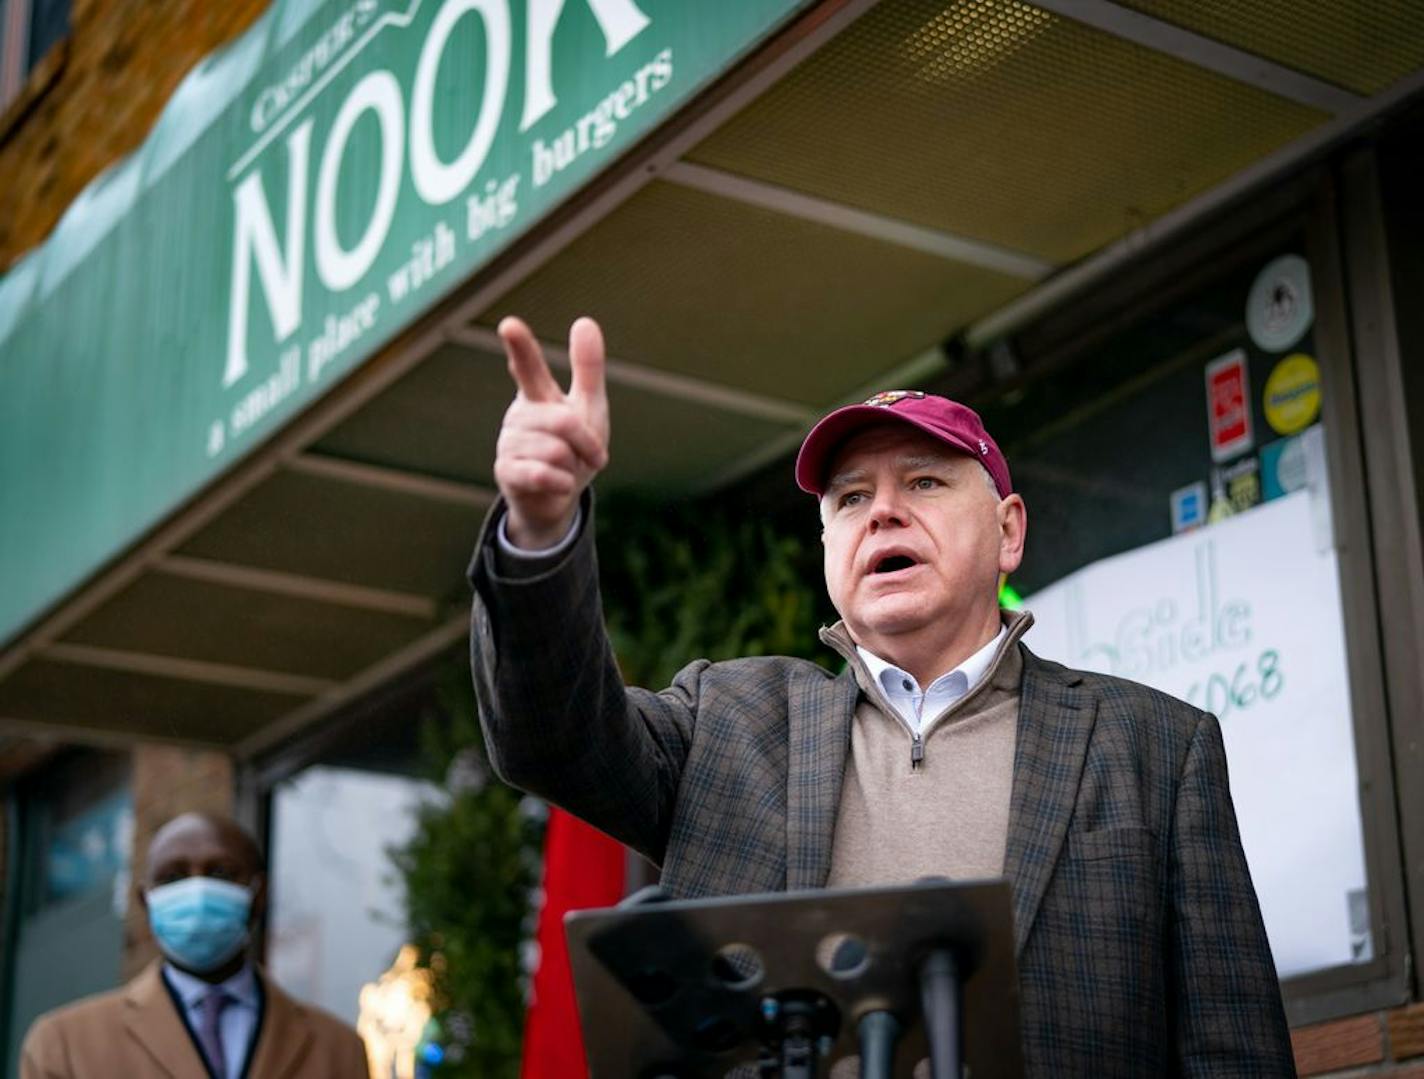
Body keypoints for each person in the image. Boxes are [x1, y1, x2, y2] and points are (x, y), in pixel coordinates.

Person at [469, 316, 1297, 1075]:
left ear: (1008, 529)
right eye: (851, 497)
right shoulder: (728, 722)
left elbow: (1234, 1049)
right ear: (828, 545)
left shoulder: (1155, 745)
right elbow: (552, 739)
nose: (884, 513)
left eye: (926, 482)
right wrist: (541, 532)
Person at [20, 812, 368, 1079]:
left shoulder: (336, 1048)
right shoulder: (64, 1044)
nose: (197, 890)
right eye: (173, 877)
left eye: (219, 873)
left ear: (259, 895)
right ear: (146, 899)